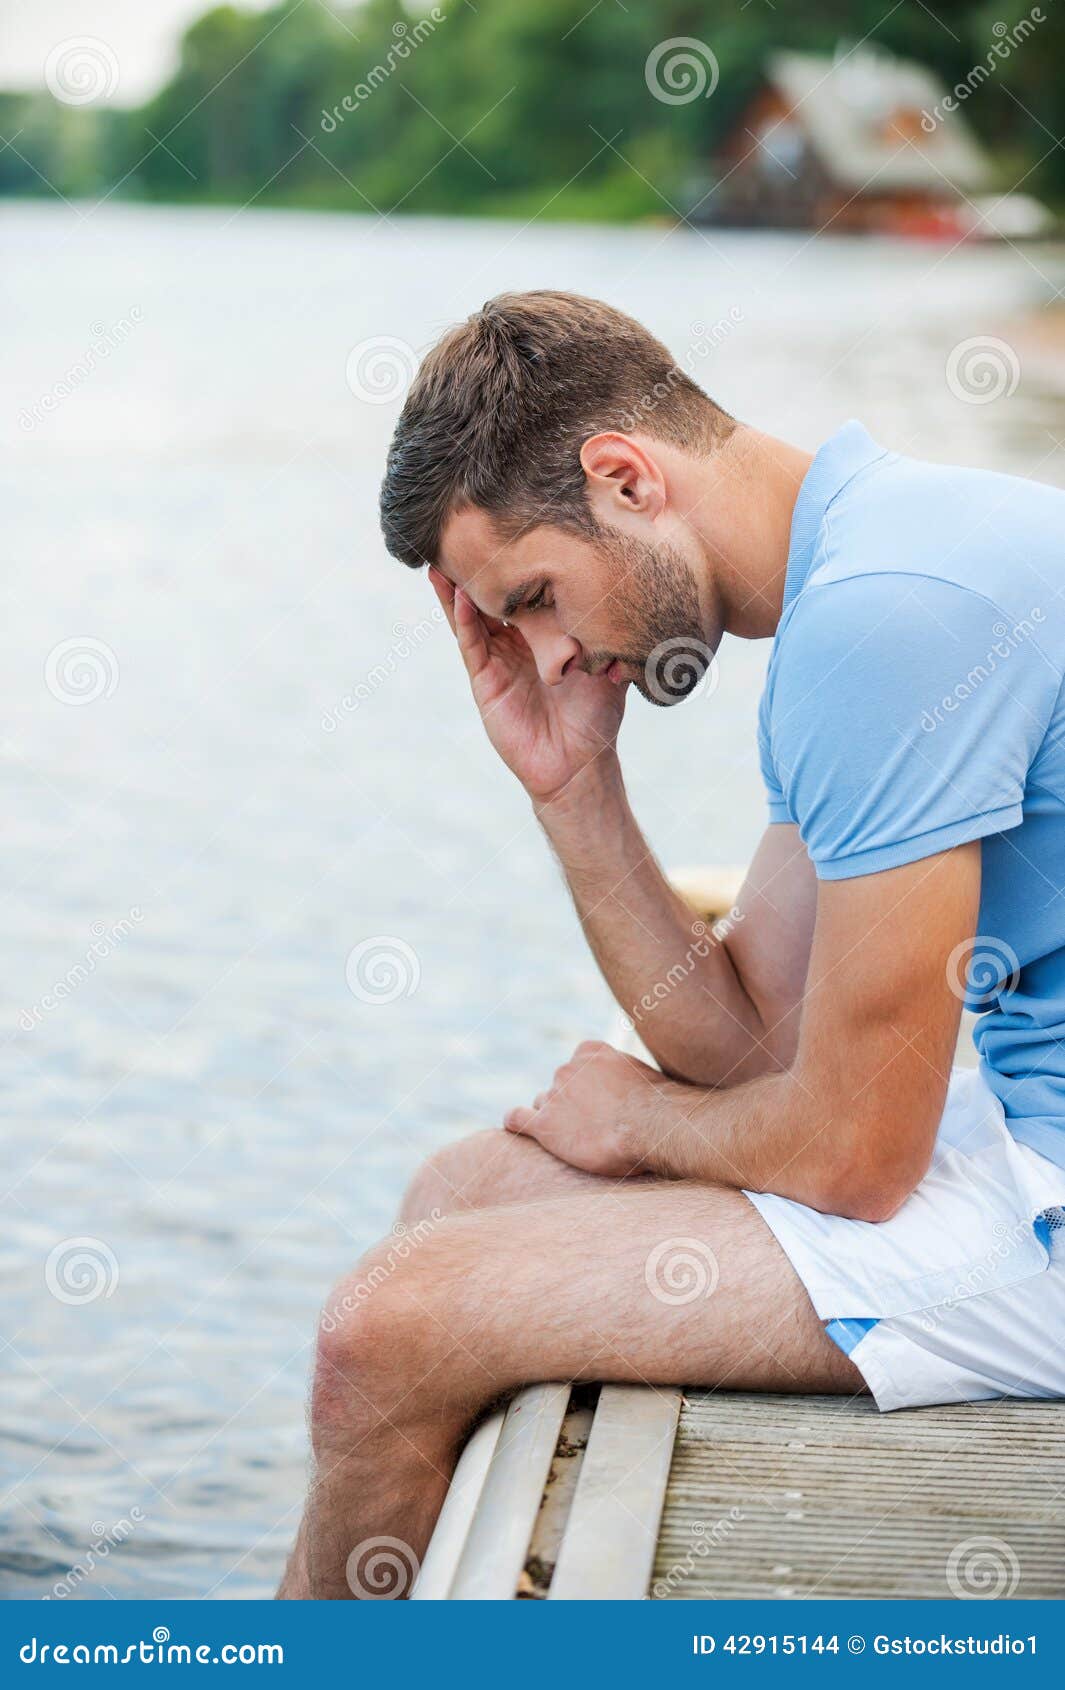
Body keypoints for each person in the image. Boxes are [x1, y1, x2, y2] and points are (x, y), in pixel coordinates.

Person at [279, 291, 1065, 1599]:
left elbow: (855, 1154)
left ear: (627, 477)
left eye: (535, 597)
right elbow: (757, 1040)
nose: (550, 653)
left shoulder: (882, 622)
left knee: (386, 1329)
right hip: (1032, 1131)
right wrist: (571, 786)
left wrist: (640, 1121)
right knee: (462, 1188)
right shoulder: (870, 564)